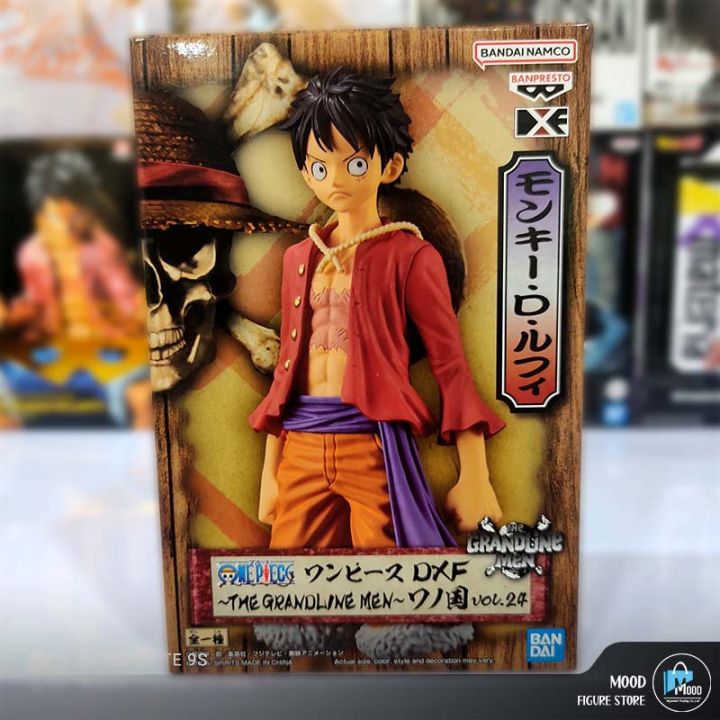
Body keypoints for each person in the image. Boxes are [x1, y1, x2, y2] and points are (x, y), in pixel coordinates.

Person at [249, 69, 505, 550]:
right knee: (292, 579)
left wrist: (475, 475)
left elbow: (450, 366)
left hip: (372, 442)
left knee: (392, 572)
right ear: (305, 171)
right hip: (301, 442)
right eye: (319, 167)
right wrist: (270, 471)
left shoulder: (410, 256)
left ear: (390, 166)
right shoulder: (299, 259)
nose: (335, 179)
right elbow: (285, 369)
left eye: (355, 163)